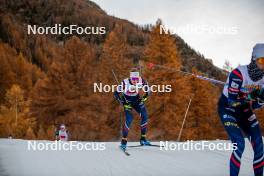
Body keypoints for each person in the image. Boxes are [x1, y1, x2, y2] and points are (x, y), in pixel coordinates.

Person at [218, 43, 264, 176]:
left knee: (259, 147)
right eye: (262, 60)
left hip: (245, 111)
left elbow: (255, 106)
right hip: (228, 109)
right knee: (239, 144)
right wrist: (251, 96)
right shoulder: (238, 74)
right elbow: (232, 102)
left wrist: (260, 101)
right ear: (254, 59)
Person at [114, 69, 151, 150]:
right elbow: (116, 93)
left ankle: (143, 139)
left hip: (137, 101)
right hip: (127, 102)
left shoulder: (141, 81)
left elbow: (148, 91)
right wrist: (122, 101)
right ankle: (124, 141)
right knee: (129, 118)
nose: (135, 81)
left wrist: (144, 98)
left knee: (145, 116)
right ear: (130, 78)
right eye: (133, 79)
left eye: (136, 79)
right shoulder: (125, 82)